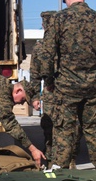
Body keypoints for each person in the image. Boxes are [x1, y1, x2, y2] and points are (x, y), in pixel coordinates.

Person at [32, 0, 96, 175]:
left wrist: (49, 80)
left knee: (64, 132)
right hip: (92, 87)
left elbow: (47, 53)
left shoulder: (59, 20)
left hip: (66, 87)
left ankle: (60, 175)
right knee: (95, 132)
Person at [32, 10, 79, 168]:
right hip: (54, 93)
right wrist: (34, 98)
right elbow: (35, 75)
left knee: (68, 127)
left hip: (64, 92)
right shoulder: (41, 47)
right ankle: (53, 160)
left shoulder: (66, 45)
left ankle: (68, 159)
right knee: (51, 128)